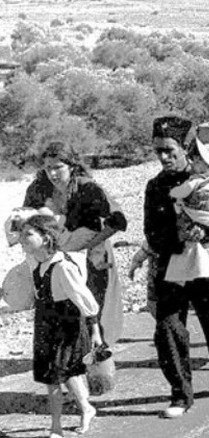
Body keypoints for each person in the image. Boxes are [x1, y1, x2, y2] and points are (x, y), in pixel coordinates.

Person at [144, 116, 209, 419]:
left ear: (186, 148)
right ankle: (180, 395)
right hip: (171, 266)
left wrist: (206, 233)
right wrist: (178, 236)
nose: (164, 157)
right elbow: (152, 232)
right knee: (168, 329)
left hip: (208, 265)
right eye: (158, 151)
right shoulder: (155, 186)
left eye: (170, 150)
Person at [23, 141, 127, 348]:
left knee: (94, 305)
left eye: (58, 167)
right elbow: (27, 220)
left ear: (71, 165)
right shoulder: (38, 189)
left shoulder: (88, 188)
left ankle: (98, 360)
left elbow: (118, 221)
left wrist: (89, 245)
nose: (52, 174)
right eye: (48, 168)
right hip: (55, 258)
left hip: (92, 254)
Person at [20, 214, 102, 438]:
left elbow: (85, 300)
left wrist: (95, 332)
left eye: (28, 234)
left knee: (54, 377)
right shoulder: (37, 263)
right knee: (62, 373)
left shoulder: (63, 267)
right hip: (45, 323)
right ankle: (87, 408)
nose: (21, 239)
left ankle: (56, 427)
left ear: (46, 238)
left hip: (65, 326)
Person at [165, 140, 209, 289]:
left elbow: (178, 193)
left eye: (199, 160)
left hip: (198, 221)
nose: (194, 162)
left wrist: (173, 193)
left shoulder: (196, 181)